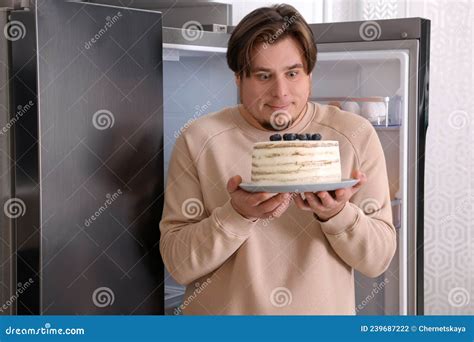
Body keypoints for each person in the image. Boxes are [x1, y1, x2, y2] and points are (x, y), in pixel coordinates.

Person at [159, 4, 396, 315]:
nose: (280, 92)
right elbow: (179, 265)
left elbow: (377, 260)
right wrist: (236, 215)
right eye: (263, 75)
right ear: (238, 78)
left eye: (293, 73)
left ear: (309, 73)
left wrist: (337, 214)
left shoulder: (354, 134)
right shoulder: (199, 139)